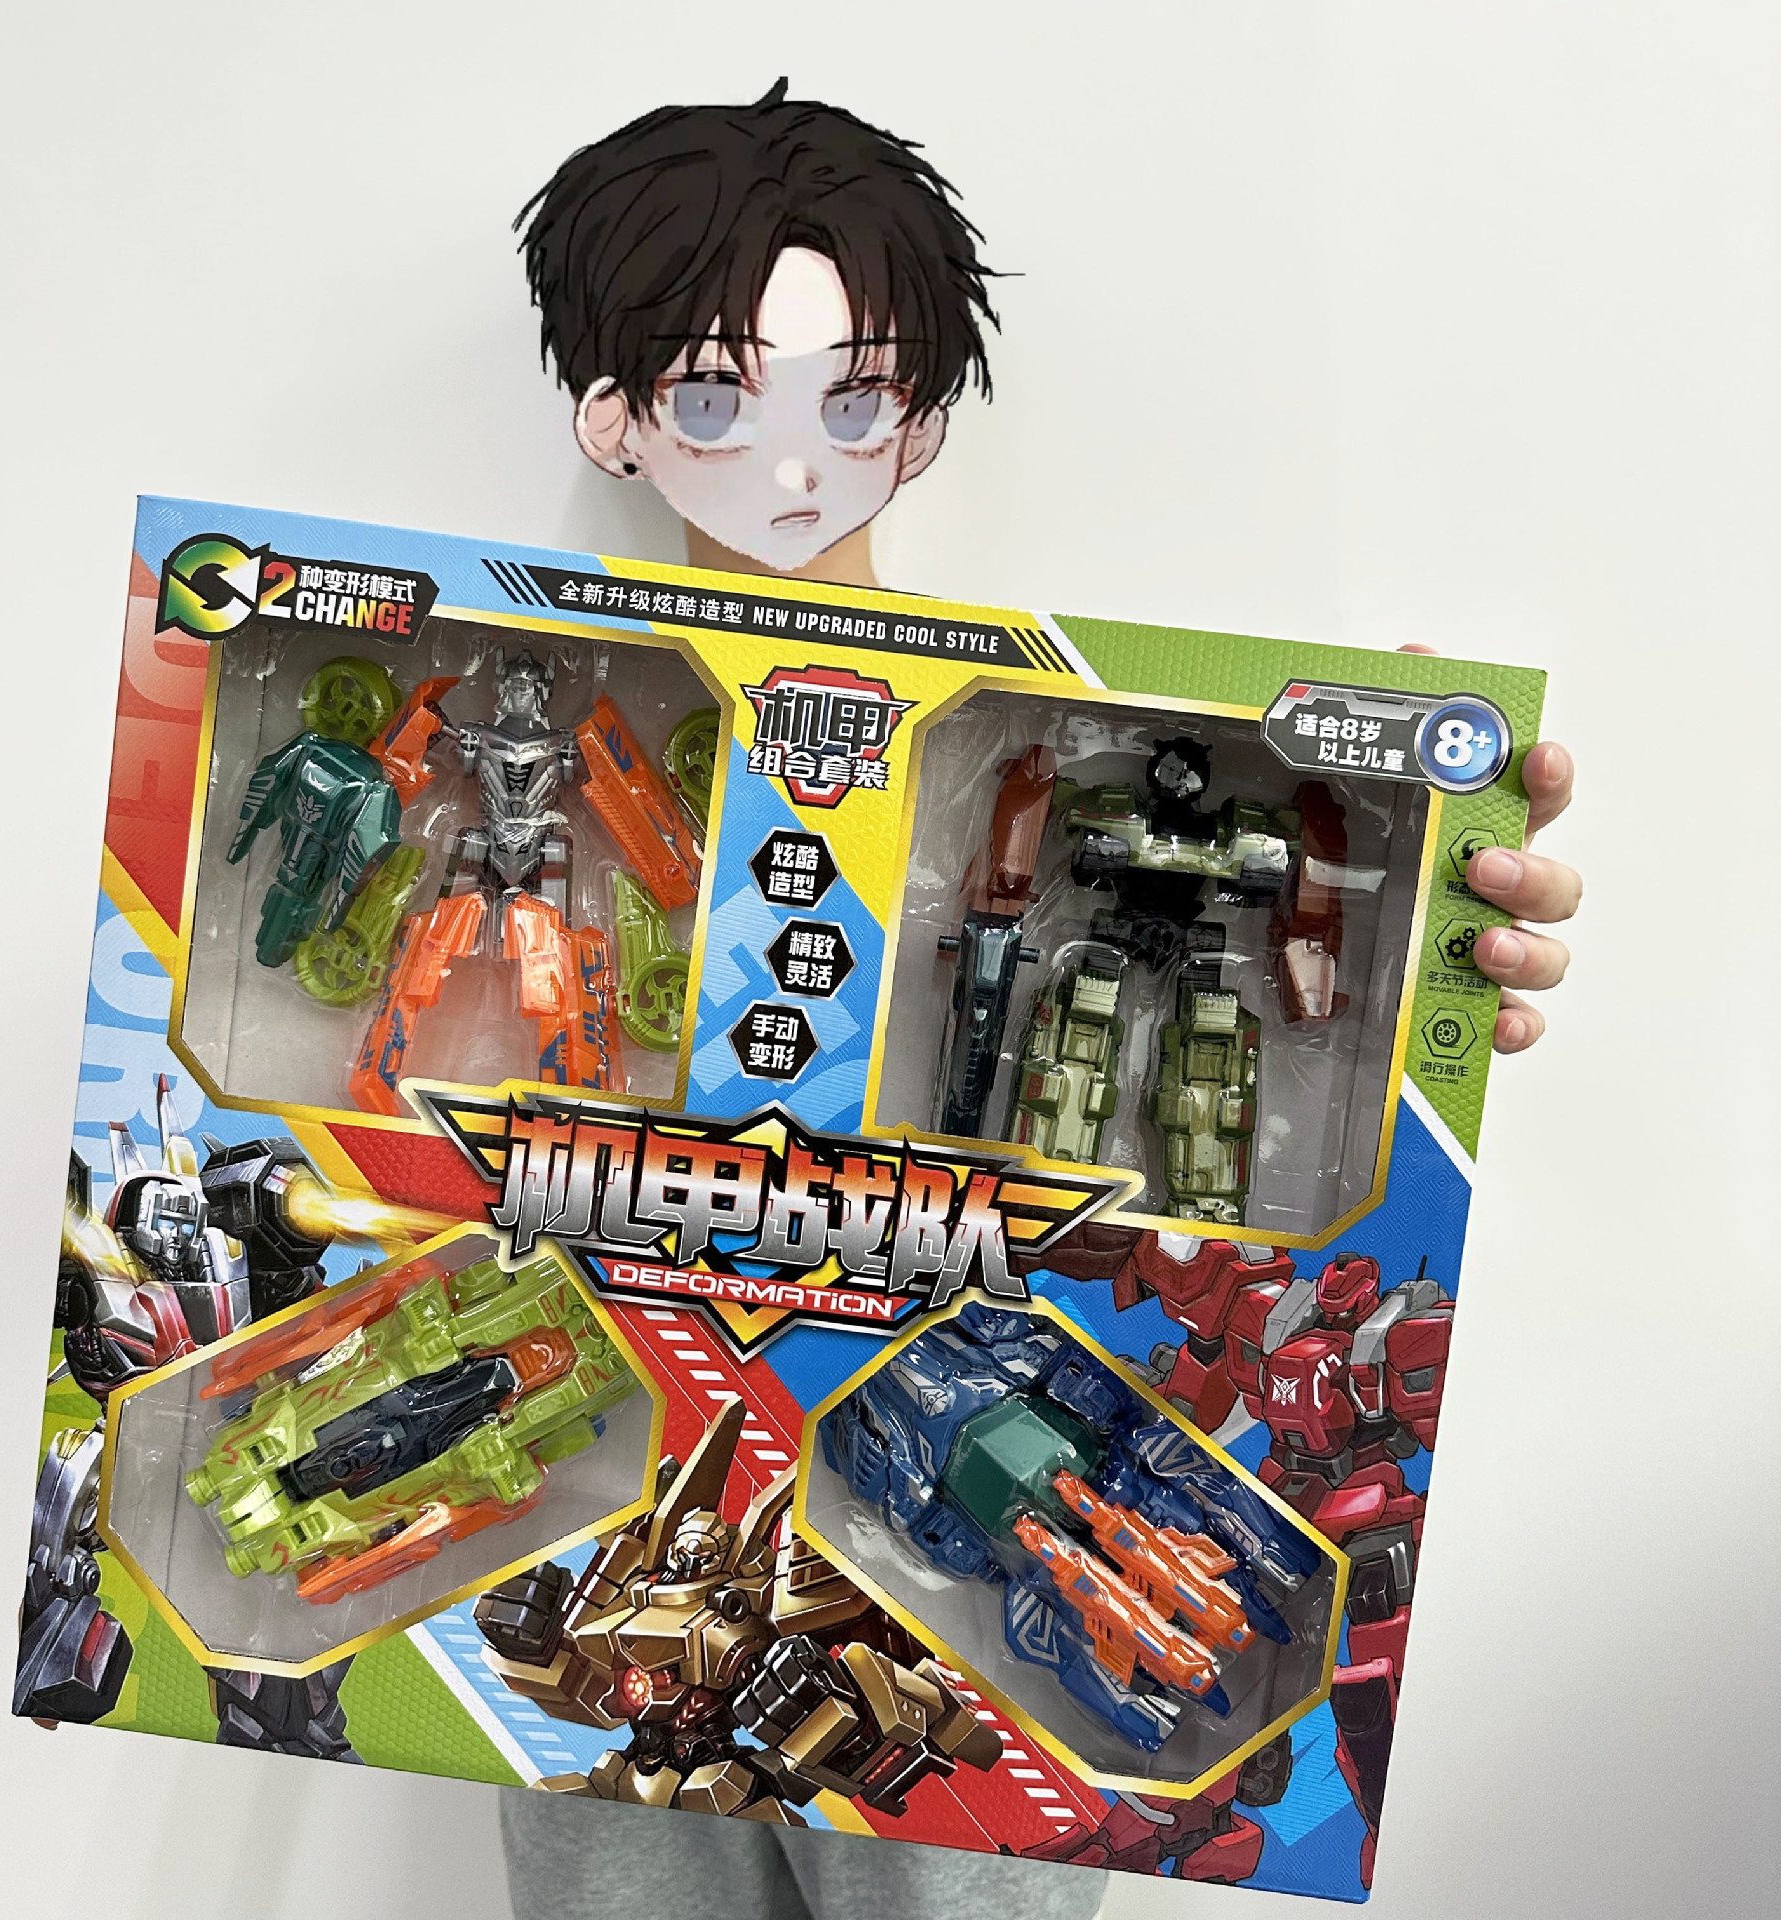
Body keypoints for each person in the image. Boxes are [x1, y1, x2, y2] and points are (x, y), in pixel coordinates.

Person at [497, 81, 1581, 1919]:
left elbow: (1282, 1014)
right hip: (638, 1427)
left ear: (917, 416)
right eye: (715, 394)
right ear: (614, 415)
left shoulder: (1051, 737)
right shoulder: (573, 704)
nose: (791, 457)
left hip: (974, 1413)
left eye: (853, 398)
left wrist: (1410, 920)